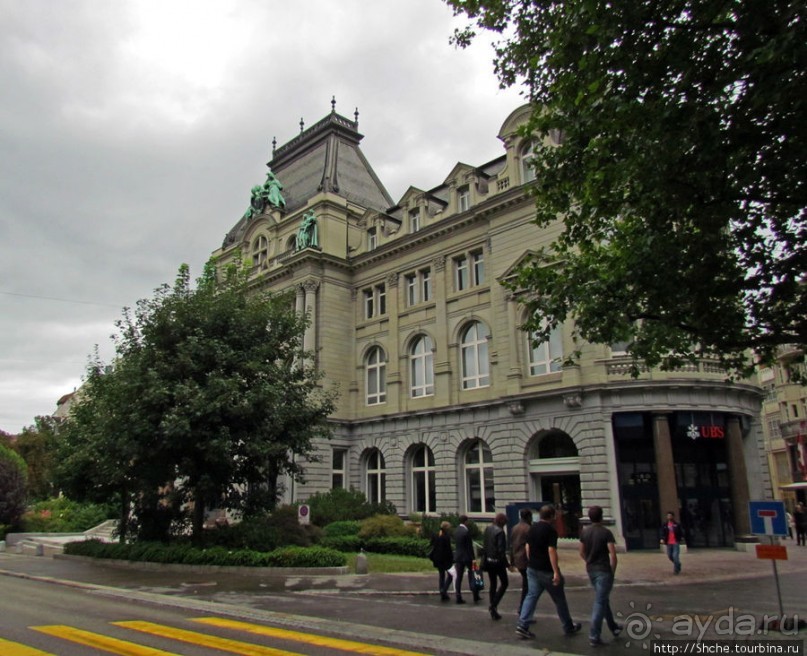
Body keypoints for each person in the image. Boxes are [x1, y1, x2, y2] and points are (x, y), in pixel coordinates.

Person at [516, 504, 582, 639]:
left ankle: (522, 625)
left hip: (533, 568)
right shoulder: (550, 530)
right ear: (552, 516)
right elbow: (551, 550)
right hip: (546, 570)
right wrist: (556, 571)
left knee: (531, 596)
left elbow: (527, 547)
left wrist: (532, 560)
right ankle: (568, 626)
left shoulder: (532, 528)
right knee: (559, 599)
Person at [579, 505, 623, 646]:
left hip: (591, 569)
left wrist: (588, 560)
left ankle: (613, 627)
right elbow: (613, 555)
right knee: (600, 601)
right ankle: (594, 635)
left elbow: (581, 552)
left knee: (603, 599)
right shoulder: (606, 532)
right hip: (604, 569)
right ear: (601, 516)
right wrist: (612, 570)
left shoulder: (585, 532)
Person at [483, 513, 510, 620]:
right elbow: (501, 551)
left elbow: (485, 545)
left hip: (488, 561)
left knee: (493, 584)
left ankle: (493, 609)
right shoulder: (500, 532)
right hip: (498, 562)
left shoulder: (488, 529)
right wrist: (507, 564)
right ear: (502, 522)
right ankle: (493, 605)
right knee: (504, 583)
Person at [509, 508, 533, 617]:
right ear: (528, 517)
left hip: (518, 559)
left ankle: (523, 609)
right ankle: (524, 610)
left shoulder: (514, 528)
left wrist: (512, 561)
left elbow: (511, 545)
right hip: (526, 560)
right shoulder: (528, 529)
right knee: (528, 587)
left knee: (526, 585)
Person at [453, 515, 480, 604]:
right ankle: (475, 594)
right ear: (466, 521)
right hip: (467, 557)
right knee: (472, 575)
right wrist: (473, 559)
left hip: (458, 556)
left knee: (459, 577)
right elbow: (469, 547)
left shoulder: (456, 530)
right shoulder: (466, 531)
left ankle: (458, 595)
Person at [429, 521, 454, 601]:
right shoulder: (446, 537)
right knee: (450, 575)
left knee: (441, 575)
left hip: (437, 559)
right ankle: (444, 590)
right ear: (446, 528)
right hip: (445, 559)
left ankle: (441, 590)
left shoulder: (436, 535)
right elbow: (448, 549)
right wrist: (452, 559)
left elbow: (432, 544)